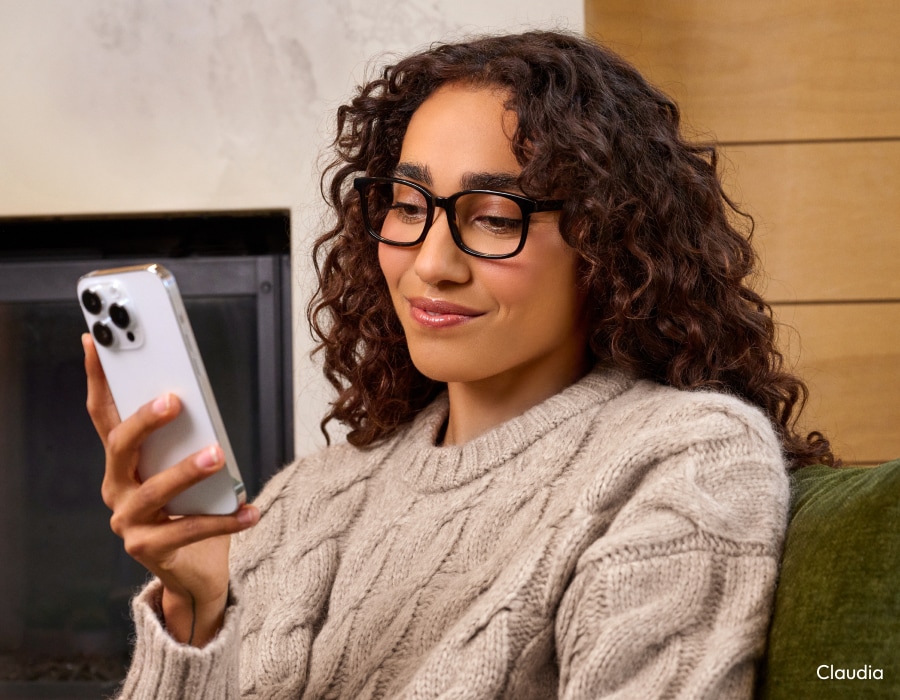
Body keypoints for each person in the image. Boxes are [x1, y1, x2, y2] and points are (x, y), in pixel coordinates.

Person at [84, 29, 834, 699]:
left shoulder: (683, 459)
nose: (431, 263)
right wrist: (196, 609)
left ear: (610, 245)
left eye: (496, 218)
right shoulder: (307, 499)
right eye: (408, 206)